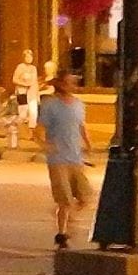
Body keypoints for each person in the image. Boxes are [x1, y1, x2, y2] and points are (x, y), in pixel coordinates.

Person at [37, 70, 93, 250]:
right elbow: (37, 129)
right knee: (65, 200)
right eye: (69, 82)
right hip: (58, 159)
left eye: (74, 82)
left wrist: (88, 143)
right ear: (60, 84)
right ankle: (61, 234)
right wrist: (45, 145)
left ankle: (64, 214)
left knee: (85, 196)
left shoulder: (78, 104)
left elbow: (81, 126)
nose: (73, 86)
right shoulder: (50, 105)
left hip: (75, 157)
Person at [12, 49, 40, 131]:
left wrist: (37, 93)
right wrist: (24, 84)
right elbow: (14, 79)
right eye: (27, 57)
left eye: (31, 56)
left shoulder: (33, 68)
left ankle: (31, 131)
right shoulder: (20, 67)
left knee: (33, 112)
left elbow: (35, 81)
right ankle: (18, 129)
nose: (29, 58)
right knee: (23, 114)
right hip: (22, 92)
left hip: (32, 92)